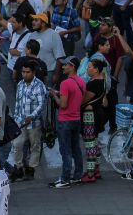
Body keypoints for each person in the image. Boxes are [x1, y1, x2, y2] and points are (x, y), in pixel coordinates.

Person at [48, 57, 85, 188]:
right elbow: (77, 98)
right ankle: (78, 175)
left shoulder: (65, 83)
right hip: (76, 119)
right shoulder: (81, 82)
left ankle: (65, 179)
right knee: (76, 149)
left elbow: (63, 104)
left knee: (65, 150)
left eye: (65, 65)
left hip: (65, 120)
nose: (63, 67)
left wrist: (55, 96)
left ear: (72, 67)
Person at [9, 62, 47, 182]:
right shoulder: (20, 84)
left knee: (35, 146)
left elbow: (41, 105)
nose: (25, 74)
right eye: (23, 72)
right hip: (20, 121)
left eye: (27, 72)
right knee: (16, 144)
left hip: (33, 123)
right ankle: (18, 167)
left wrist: (31, 117)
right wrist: (16, 118)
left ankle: (31, 169)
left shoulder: (39, 86)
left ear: (33, 73)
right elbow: (18, 103)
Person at [79, 59, 106, 183]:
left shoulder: (93, 84)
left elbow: (83, 101)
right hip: (98, 114)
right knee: (94, 142)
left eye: (89, 67)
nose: (87, 69)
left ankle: (90, 173)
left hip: (90, 116)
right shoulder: (103, 81)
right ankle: (97, 169)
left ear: (96, 69)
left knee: (89, 143)